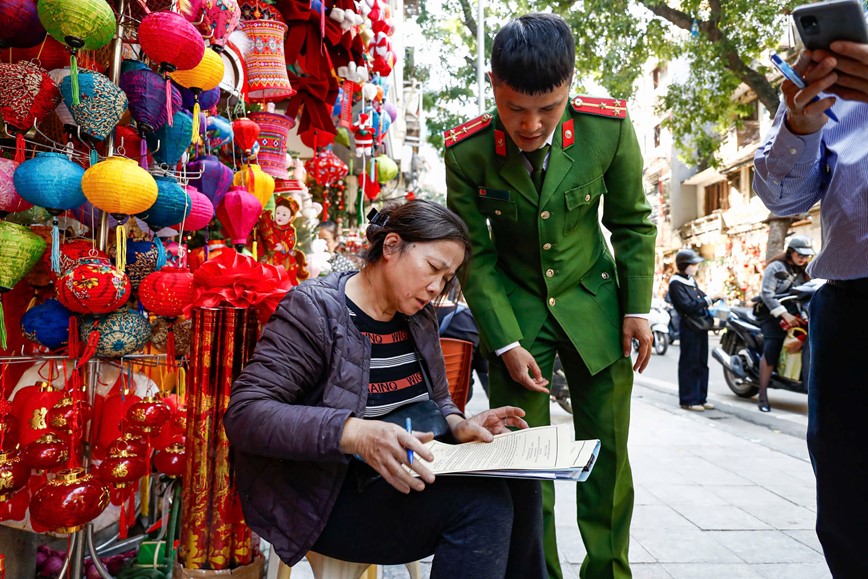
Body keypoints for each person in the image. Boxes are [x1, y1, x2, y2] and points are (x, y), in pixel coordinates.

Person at [223, 200, 547, 578]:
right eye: (433, 268)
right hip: (325, 496)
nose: (436, 287)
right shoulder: (315, 310)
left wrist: (460, 425)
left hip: (399, 474)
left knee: (520, 480)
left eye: (446, 278)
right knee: (481, 506)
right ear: (391, 246)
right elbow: (245, 414)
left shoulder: (418, 315)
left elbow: (438, 399)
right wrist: (355, 433)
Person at [444, 13, 657, 578]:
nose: (532, 125)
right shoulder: (467, 152)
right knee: (523, 462)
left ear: (569, 87)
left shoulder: (607, 129)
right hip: (515, 317)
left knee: (608, 458)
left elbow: (633, 223)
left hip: (596, 308)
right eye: (516, 109)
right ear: (493, 84)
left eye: (549, 108)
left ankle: (608, 572)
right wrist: (504, 341)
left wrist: (637, 308)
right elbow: (475, 255)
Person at [753, 36, 868, 577]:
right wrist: (799, 126)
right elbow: (781, 198)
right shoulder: (834, 74)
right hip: (848, 307)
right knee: (848, 503)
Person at [755, 236, 814, 412]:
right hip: (771, 315)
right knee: (772, 348)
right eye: (800, 255)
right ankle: (762, 396)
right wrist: (784, 315)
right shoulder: (776, 267)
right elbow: (767, 294)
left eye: (806, 256)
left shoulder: (805, 270)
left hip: (794, 314)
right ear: (791, 252)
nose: (803, 259)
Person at [667, 249, 715, 412]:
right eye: (693, 264)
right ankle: (689, 399)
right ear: (684, 265)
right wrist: (709, 300)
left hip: (700, 326)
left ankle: (701, 397)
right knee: (690, 363)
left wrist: (711, 299)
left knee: (701, 362)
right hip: (689, 326)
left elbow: (700, 297)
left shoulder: (690, 280)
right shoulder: (675, 283)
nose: (696, 267)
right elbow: (687, 306)